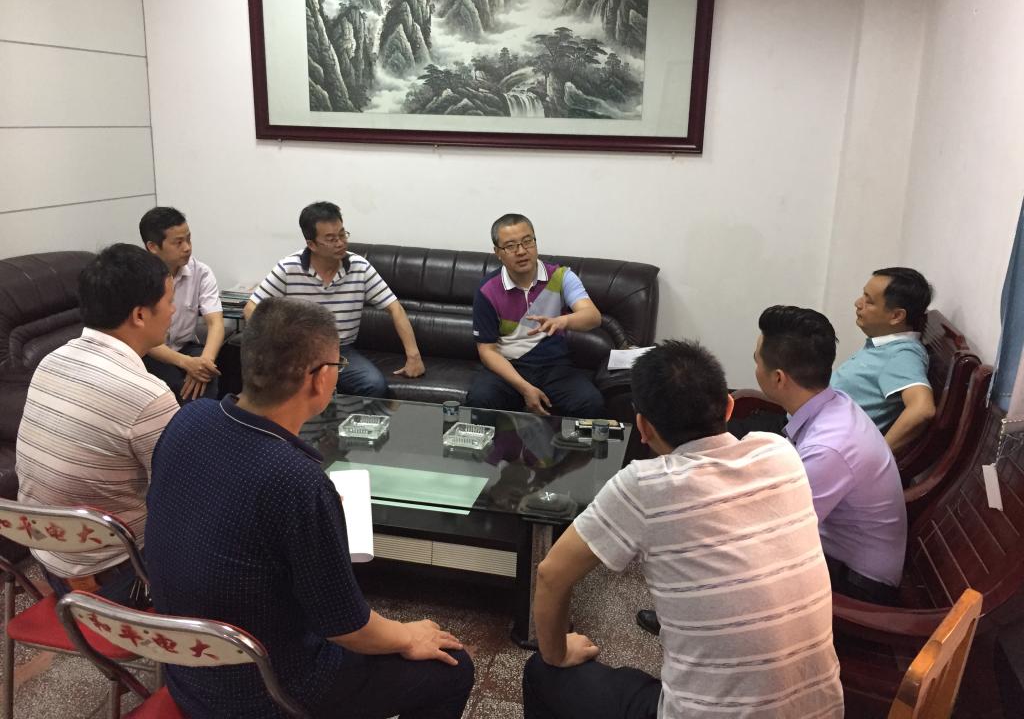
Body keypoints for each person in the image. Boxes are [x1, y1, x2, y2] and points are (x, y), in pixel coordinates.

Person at [145, 297, 473, 719]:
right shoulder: (296, 480)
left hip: (187, 670)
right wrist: (409, 635)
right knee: (453, 668)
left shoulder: (189, 419)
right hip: (267, 692)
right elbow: (348, 628)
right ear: (319, 378)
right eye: (337, 365)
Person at [523, 340, 843, 719]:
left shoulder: (645, 485)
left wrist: (557, 652)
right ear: (729, 406)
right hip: (824, 710)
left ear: (643, 427)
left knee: (543, 672)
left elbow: (551, 575)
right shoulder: (780, 452)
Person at [16, 244, 179, 606]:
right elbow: (182, 499)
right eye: (169, 301)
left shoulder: (51, 360)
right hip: (119, 578)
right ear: (140, 315)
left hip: (49, 562)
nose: (173, 310)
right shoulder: (148, 395)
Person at [754, 306, 906, 604]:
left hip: (859, 585)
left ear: (779, 378)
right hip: (838, 551)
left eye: (756, 361)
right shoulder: (835, 402)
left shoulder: (828, 448)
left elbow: (779, 535)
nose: (756, 367)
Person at [243, 201, 424, 398]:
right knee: (283, 388)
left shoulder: (359, 267)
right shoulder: (288, 268)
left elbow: (395, 309)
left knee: (374, 385)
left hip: (339, 350)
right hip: (297, 350)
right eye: (330, 239)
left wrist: (414, 356)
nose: (340, 243)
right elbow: (251, 308)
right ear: (311, 244)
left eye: (342, 234)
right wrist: (275, 346)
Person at [466, 214, 604, 418]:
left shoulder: (561, 276)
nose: (522, 251)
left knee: (590, 403)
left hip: (554, 365)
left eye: (527, 241)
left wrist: (562, 321)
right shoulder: (487, 290)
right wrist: (525, 388)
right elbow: (487, 351)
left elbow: (593, 316)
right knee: (480, 399)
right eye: (511, 246)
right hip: (509, 367)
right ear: (498, 252)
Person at [831, 267, 936, 451]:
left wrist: (878, 457)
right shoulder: (884, 345)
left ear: (896, 316)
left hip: (821, 448)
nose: (858, 303)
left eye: (869, 301)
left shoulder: (902, 355)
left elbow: (922, 409)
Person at [139, 206, 224, 401]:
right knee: (172, 385)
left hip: (186, 347)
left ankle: (200, 420)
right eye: (178, 242)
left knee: (208, 377)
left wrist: (203, 364)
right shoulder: (137, 278)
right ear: (153, 247)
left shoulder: (201, 272)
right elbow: (141, 339)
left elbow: (215, 323)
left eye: (188, 239)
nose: (187, 248)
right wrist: (186, 363)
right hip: (150, 352)